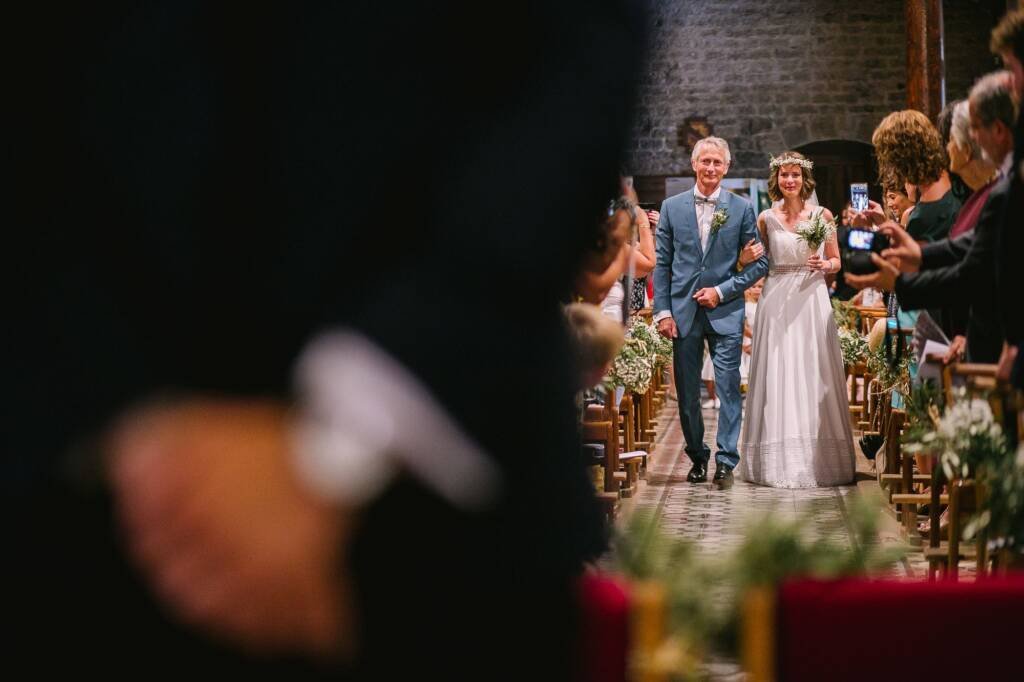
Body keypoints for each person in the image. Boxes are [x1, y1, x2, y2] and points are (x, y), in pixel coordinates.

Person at [6, 2, 647, 678]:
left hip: (437, 493)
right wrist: (117, 407)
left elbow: (567, 66)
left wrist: (342, 433)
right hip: (75, 506)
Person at [845, 70, 1017, 365]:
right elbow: (966, 246)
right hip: (960, 324)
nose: (947, 147)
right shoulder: (979, 192)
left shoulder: (992, 192)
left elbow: (971, 270)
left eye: (971, 131)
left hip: (981, 333)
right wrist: (919, 254)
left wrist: (901, 282)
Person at [653, 136, 769, 489]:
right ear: (694, 164)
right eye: (705, 161)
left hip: (726, 310)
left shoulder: (741, 208)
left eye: (717, 162)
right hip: (682, 312)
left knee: (729, 387)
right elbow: (663, 264)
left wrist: (721, 291)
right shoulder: (671, 207)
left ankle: (726, 460)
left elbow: (760, 262)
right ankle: (698, 456)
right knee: (688, 393)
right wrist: (663, 312)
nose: (711, 168)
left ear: (727, 167)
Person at [738, 152, 856, 489]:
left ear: (805, 179)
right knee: (778, 368)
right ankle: (775, 460)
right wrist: (743, 258)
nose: (790, 181)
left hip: (811, 296)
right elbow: (756, 261)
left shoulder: (822, 215)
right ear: (776, 179)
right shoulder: (766, 218)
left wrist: (825, 266)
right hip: (776, 296)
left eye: (795, 175)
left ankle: (817, 459)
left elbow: (836, 260)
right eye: (785, 175)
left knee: (812, 368)